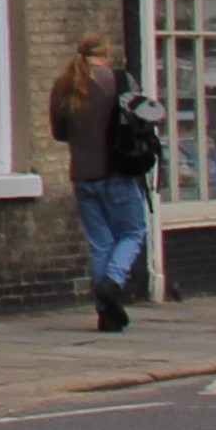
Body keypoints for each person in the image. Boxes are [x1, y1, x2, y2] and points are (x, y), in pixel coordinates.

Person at [53, 34, 152, 333]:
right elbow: (141, 123)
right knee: (133, 230)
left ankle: (106, 314)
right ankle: (113, 281)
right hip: (117, 172)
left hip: (83, 175)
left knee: (101, 243)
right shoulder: (121, 82)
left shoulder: (64, 84)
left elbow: (59, 132)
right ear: (106, 55)